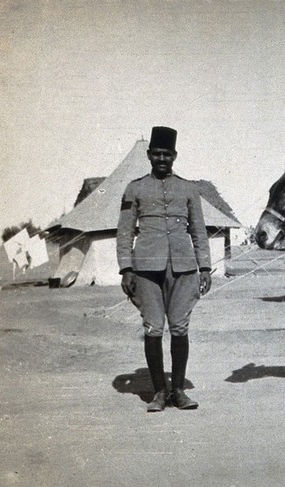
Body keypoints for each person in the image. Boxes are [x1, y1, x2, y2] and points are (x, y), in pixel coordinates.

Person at [117, 126, 212, 412]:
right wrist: (126, 269)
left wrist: (205, 267)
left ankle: (179, 391)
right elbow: (124, 232)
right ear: (148, 155)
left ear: (174, 156)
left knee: (180, 327)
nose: (161, 158)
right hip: (146, 268)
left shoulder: (189, 189)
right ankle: (159, 391)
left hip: (184, 268)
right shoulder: (134, 188)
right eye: (157, 153)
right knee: (153, 328)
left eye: (167, 154)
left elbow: (198, 230)